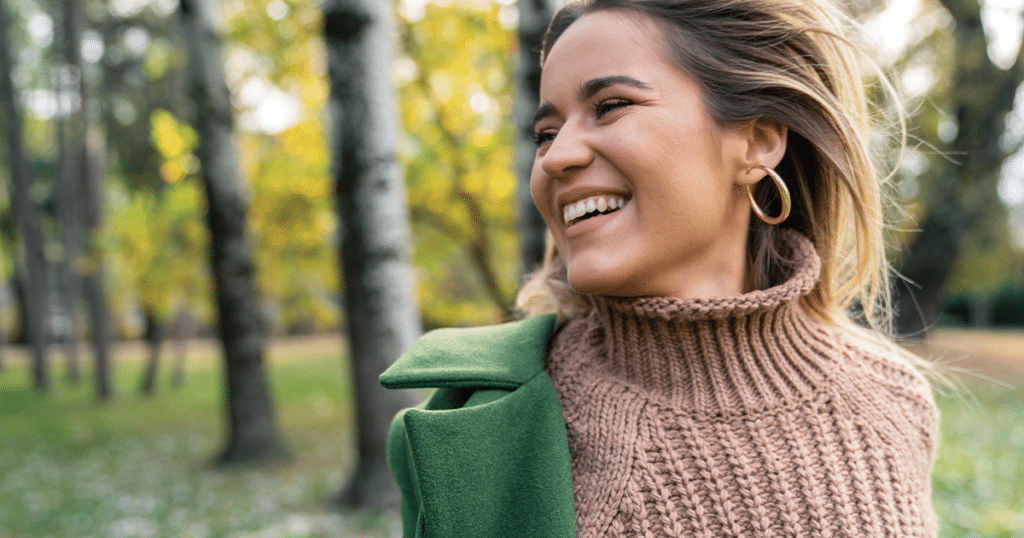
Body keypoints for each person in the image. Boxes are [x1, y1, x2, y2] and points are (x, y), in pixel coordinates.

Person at [381, 0, 939, 536]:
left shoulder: (892, 403)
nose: (555, 157)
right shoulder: (478, 425)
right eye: (545, 134)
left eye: (611, 105)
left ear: (757, 141)